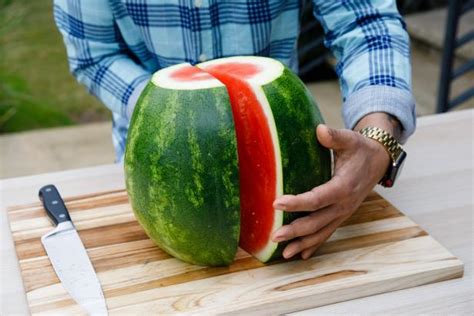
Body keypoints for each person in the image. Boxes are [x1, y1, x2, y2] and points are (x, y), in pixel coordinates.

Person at [54, 0, 416, 260]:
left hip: (286, 161)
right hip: (159, 166)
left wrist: (378, 139)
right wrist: (173, 117)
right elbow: (94, 55)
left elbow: (365, 22)